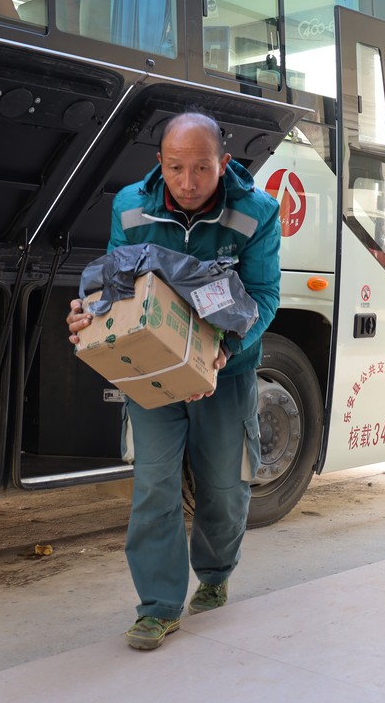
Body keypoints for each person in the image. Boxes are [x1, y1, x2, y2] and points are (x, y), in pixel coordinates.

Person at [66, 112, 282, 650]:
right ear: (159, 163)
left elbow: (264, 297)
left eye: (202, 168)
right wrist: (89, 312)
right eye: (176, 168)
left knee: (224, 487)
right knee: (154, 484)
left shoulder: (256, 212)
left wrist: (220, 354)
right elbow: (116, 283)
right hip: (153, 375)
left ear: (223, 163)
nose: (188, 182)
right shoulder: (130, 205)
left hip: (225, 374)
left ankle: (215, 570)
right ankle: (158, 606)